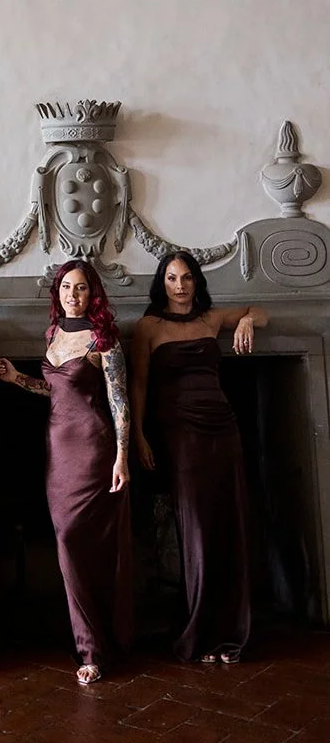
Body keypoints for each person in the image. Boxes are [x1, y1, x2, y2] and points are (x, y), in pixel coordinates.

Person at [0, 258, 132, 684]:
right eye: (67, 287)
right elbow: (54, 389)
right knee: (65, 542)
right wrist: (18, 379)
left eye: (82, 287)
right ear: (57, 292)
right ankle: (88, 639)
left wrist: (122, 456)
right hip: (57, 452)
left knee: (80, 543)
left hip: (94, 449)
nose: (74, 294)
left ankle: (93, 649)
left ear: (93, 294)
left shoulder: (104, 338)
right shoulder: (53, 333)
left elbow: (120, 402)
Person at [130, 250, 267, 664]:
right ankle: (201, 632)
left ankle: (231, 632)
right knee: (197, 531)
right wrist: (138, 435)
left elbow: (260, 311)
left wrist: (246, 321)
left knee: (230, 524)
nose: (180, 285)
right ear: (162, 283)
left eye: (187, 277)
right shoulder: (148, 327)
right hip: (180, 435)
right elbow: (139, 386)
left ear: (196, 282)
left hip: (223, 428)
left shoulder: (211, 318)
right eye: (172, 278)